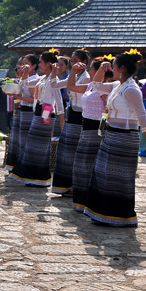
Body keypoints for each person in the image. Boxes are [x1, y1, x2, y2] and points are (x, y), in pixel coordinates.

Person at [84, 51, 146, 226]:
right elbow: (95, 86)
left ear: (121, 68)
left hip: (125, 138)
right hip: (111, 135)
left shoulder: (131, 90)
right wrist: (101, 69)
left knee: (119, 179)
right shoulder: (117, 85)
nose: (110, 69)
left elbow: (143, 117)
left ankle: (121, 217)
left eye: (113, 66)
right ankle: (103, 214)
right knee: (103, 174)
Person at [9, 51, 63, 187]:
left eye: (41, 62)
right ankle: (34, 177)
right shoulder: (42, 79)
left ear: (48, 64)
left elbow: (59, 100)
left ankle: (40, 178)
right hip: (38, 111)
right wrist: (25, 74)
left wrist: (61, 119)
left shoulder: (52, 80)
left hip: (47, 113)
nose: (39, 65)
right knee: (33, 145)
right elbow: (26, 84)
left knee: (40, 145)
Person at [72, 59, 111, 211]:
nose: (90, 72)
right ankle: (81, 201)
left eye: (93, 70)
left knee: (89, 167)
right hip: (86, 129)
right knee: (81, 166)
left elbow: (109, 108)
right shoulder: (91, 86)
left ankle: (90, 202)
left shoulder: (105, 88)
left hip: (96, 130)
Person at [51, 49, 91, 196]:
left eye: (75, 61)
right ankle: (65, 185)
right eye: (72, 61)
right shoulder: (73, 77)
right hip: (71, 114)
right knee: (66, 151)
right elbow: (54, 85)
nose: (73, 64)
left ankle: (76, 185)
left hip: (80, 116)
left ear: (84, 63)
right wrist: (54, 72)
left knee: (75, 152)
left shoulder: (85, 78)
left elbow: (71, 88)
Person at [4, 54, 39, 173]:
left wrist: (19, 97)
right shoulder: (24, 78)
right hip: (21, 111)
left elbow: (35, 99)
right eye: (22, 63)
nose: (23, 66)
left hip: (30, 112)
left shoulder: (35, 79)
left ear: (34, 66)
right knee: (18, 140)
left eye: (26, 64)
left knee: (25, 141)